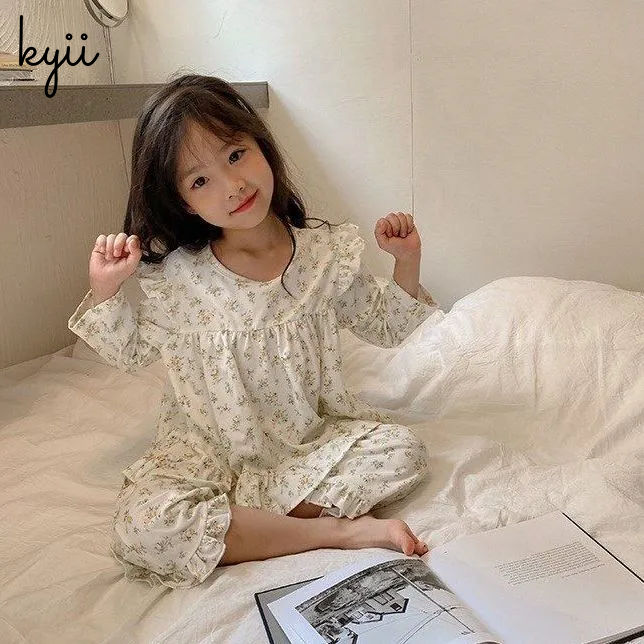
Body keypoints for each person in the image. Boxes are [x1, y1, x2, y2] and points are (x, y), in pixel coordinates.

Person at [68, 74, 443, 589]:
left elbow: (385, 325)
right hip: (207, 453)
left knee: (403, 452)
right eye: (200, 181)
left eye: (235, 155)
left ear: (261, 144)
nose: (233, 185)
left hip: (307, 445)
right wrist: (105, 289)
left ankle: (247, 527)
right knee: (144, 527)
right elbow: (130, 352)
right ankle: (336, 532)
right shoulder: (179, 279)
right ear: (182, 202)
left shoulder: (322, 256)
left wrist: (406, 261)